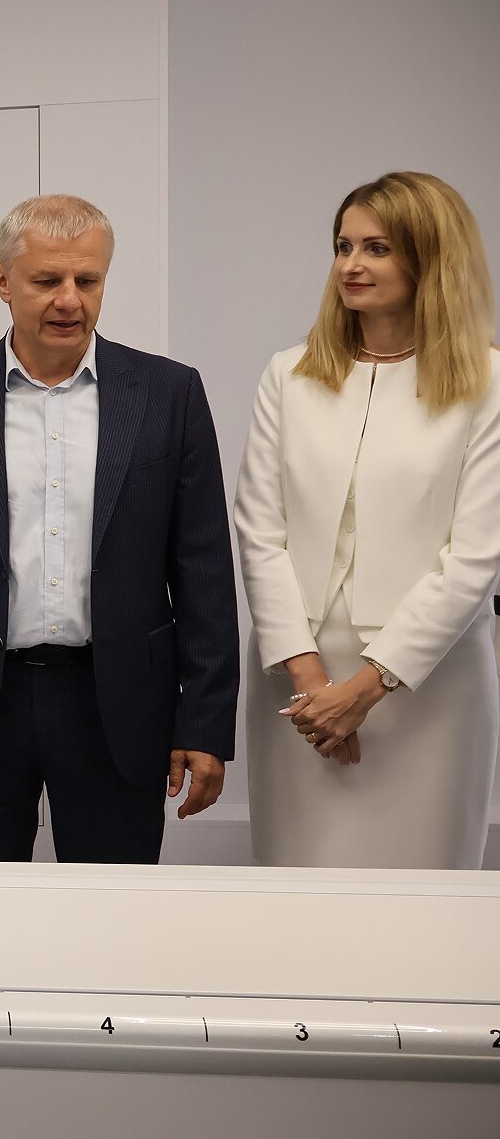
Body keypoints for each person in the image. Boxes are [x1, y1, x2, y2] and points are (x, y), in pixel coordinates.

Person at [0, 194, 238, 863]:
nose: (69, 300)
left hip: (118, 704)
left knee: (110, 913)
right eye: (46, 280)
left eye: (87, 280)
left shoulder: (168, 394)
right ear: (2, 281)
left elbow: (204, 570)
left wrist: (206, 723)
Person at [235, 171, 500, 869]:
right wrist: (313, 687)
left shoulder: (489, 383)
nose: (350, 264)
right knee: (299, 884)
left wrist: (366, 688)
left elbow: (474, 558)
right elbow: (258, 533)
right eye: (342, 246)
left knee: (424, 893)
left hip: (429, 684)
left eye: (376, 248)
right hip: (297, 679)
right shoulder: (288, 374)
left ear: (429, 257)